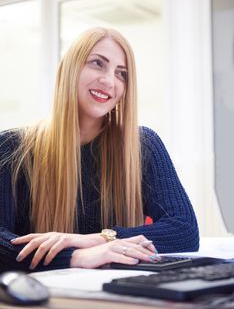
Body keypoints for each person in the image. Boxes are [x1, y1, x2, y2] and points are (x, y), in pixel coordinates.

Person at [0, 27, 199, 273]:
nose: (109, 81)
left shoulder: (142, 144)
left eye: (121, 74)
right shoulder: (11, 147)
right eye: (97, 63)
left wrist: (100, 239)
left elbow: (184, 230)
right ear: (70, 70)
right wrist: (77, 256)